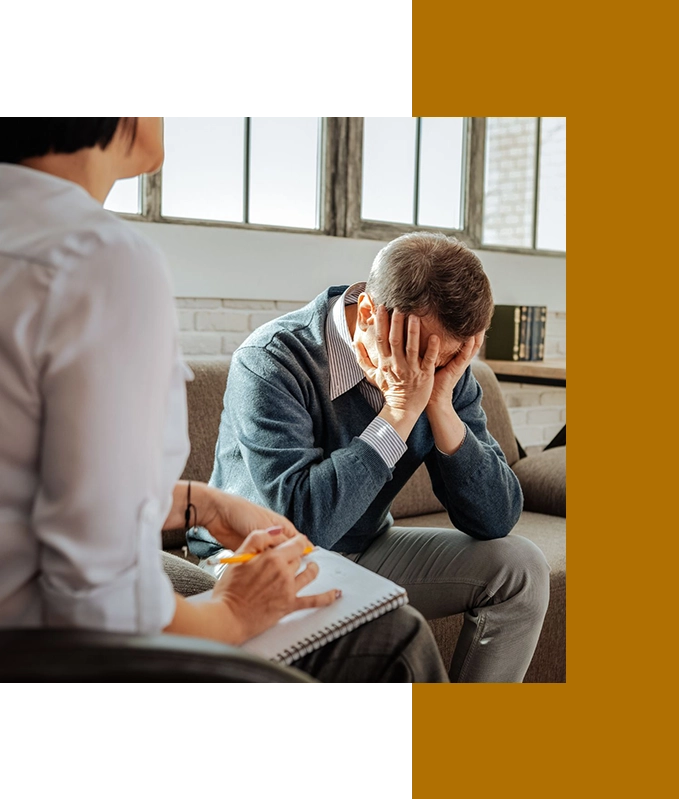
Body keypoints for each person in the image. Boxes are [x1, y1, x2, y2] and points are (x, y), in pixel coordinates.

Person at [0, 112, 449, 684]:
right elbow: (96, 602)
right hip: (43, 654)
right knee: (395, 641)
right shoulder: (96, 260)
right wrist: (232, 614)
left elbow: (33, 485)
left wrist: (197, 501)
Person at [188, 231, 552, 683]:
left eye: (448, 362)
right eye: (421, 355)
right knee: (390, 634)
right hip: (258, 558)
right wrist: (398, 415)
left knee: (522, 569)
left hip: (367, 545)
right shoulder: (271, 361)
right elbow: (302, 522)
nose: (430, 372)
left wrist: (439, 405)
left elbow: (496, 518)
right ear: (368, 314)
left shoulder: (446, 369)